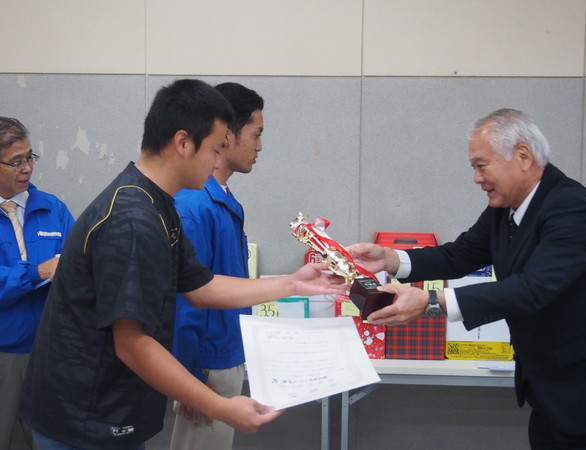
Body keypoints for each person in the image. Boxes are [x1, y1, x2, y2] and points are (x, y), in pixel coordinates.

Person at [18, 79, 345, 450]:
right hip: (84, 417)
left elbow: (201, 287)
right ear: (183, 142)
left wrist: (293, 283)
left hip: (112, 408)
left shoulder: (158, 205)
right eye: (216, 149)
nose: (219, 161)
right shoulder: (133, 218)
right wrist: (219, 406)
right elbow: (132, 343)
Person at [348, 108, 586, 449]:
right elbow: (459, 255)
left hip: (583, 392)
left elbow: (533, 288)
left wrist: (431, 302)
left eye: (482, 166)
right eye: (474, 168)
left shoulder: (572, 207)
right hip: (546, 392)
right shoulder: (505, 208)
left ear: (523, 156)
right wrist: (390, 258)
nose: (476, 178)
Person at [170, 82, 264, 450]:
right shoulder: (195, 205)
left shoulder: (221, 199)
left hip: (225, 352)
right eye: (256, 134)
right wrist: (190, 378)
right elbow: (186, 296)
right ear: (227, 134)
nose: (259, 146)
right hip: (206, 362)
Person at [0, 117, 74, 450]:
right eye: (16, 161)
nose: (27, 168)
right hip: (5, 352)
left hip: (50, 352)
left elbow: (79, 268)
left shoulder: (53, 209)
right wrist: (36, 272)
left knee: (51, 441)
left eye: (29, 157)